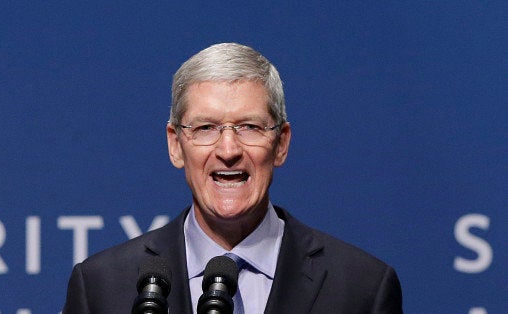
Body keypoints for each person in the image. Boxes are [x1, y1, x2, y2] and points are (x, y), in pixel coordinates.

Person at [63, 42, 403, 313]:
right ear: (176, 145)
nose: (228, 149)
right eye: (205, 128)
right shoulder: (101, 286)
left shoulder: (363, 287)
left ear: (281, 144)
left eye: (249, 127)